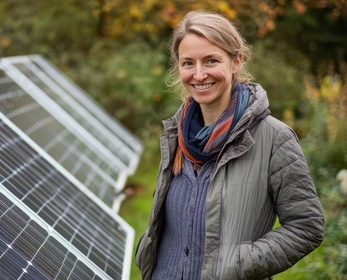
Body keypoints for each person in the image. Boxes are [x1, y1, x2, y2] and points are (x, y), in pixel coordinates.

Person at [135, 10, 324, 280]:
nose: (199, 75)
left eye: (211, 60)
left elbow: (306, 227)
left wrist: (235, 264)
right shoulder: (177, 134)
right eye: (188, 63)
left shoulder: (273, 138)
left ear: (236, 61)